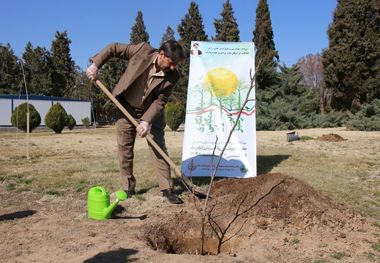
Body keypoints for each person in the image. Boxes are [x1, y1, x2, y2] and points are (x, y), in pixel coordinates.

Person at [86, 40, 185, 204]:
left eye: (176, 64)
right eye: (172, 62)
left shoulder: (173, 76)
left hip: (151, 114)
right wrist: (96, 65)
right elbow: (113, 48)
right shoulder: (142, 51)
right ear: (161, 55)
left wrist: (146, 121)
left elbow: (159, 102)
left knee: (158, 146)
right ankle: (128, 187)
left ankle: (167, 188)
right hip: (125, 106)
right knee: (125, 149)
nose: (174, 67)